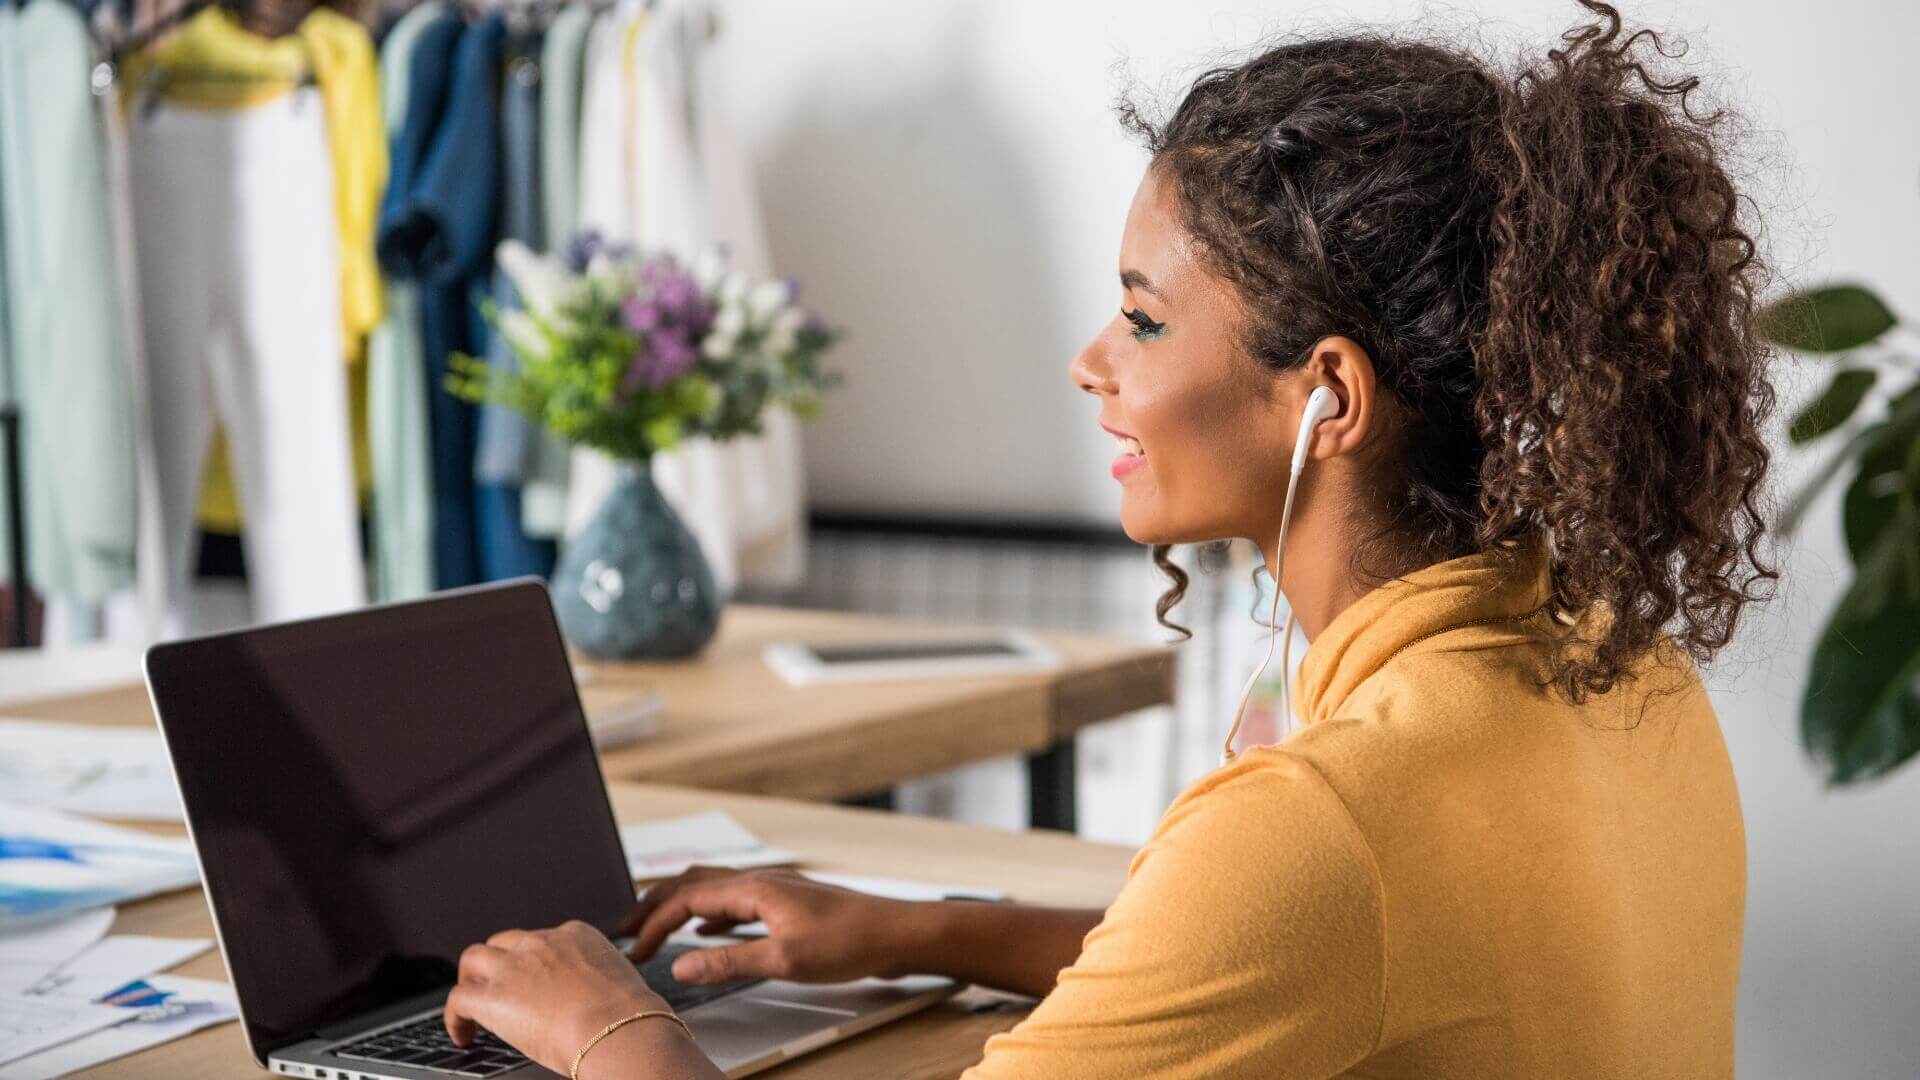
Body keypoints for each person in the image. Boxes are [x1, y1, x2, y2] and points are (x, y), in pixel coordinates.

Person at [438, 2, 1776, 1076]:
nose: (1093, 363)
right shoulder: (1622, 666)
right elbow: (1277, 950)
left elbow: (1292, 905)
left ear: (1331, 399)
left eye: (1141, 319)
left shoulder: (1323, 831)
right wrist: (920, 929)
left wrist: (608, 1028)